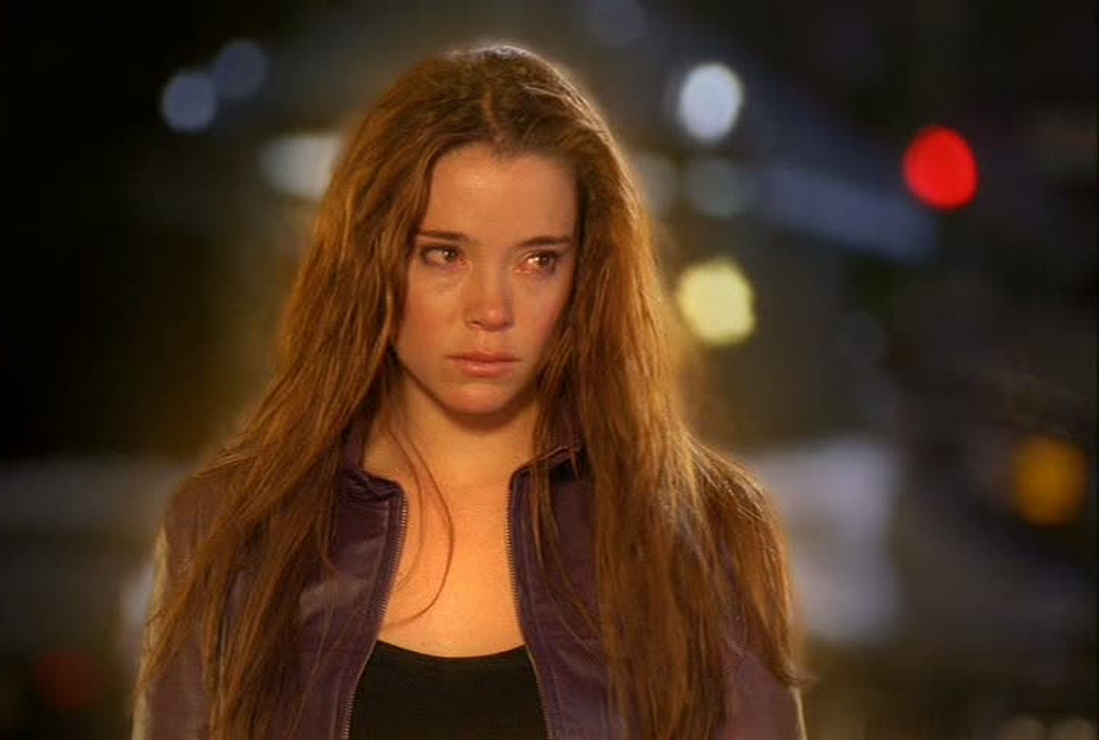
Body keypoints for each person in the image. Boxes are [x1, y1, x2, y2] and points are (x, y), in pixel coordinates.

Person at [134, 42, 805, 739]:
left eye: (538, 260)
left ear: (587, 273)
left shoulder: (706, 534)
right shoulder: (231, 531)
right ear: (372, 258)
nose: (491, 308)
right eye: (445, 254)